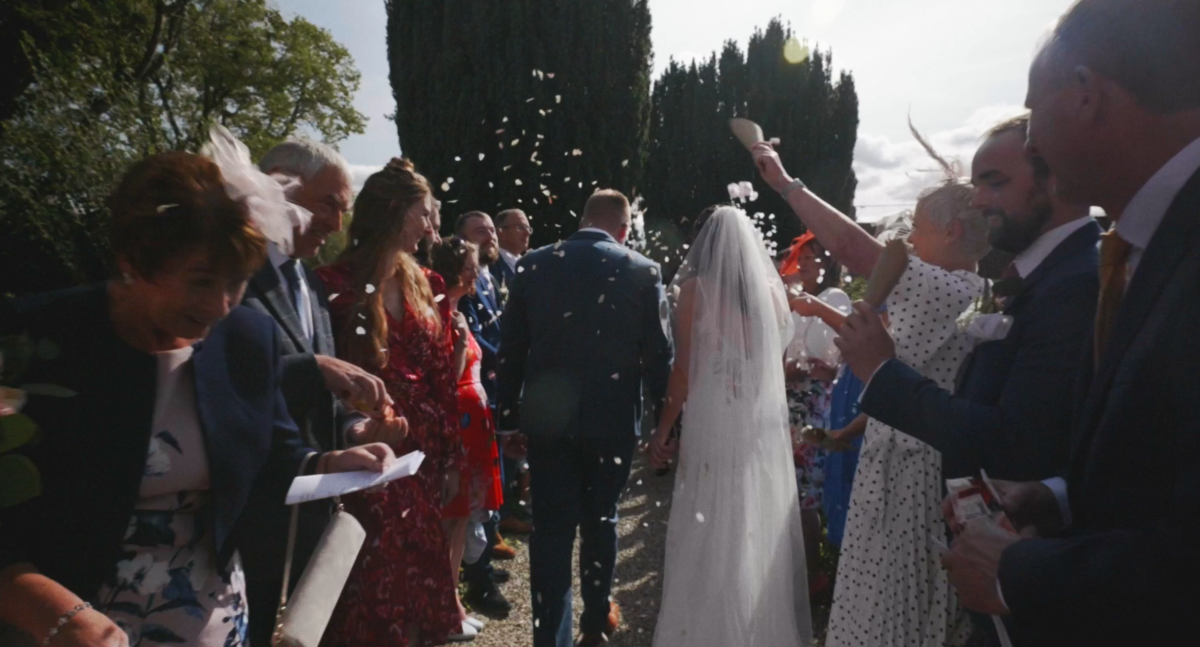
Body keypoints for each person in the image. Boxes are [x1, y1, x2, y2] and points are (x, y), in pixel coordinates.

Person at [0, 151, 395, 647]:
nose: (221, 305)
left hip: (209, 619)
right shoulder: (37, 338)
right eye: (202, 281)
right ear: (134, 260)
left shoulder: (247, 337)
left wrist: (333, 461)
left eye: (237, 281)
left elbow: (274, 454)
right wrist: (55, 614)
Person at [942, 1, 1200, 644]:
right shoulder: (1145, 247)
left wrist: (1019, 573)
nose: (1032, 144)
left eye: (1034, 111)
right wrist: (1058, 496)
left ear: (1087, 95)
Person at [755, 127, 991, 647]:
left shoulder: (947, 288)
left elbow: (852, 248)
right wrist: (846, 434)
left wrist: (786, 184)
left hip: (911, 482)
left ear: (951, 232)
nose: (906, 239)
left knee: (895, 609)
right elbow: (905, 383)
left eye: (917, 226)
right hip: (897, 464)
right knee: (876, 600)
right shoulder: (965, 292)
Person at [837, 114, 1099, 484]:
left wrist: (881, 371)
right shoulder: (1016, 280)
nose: (977, 201)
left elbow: (1017, 442)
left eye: (994, 182)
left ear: (1058, 176)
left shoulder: (1078, 282)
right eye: (976, 186)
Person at [239, 138, 405, 647]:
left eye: (343, 209)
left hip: (306, 511)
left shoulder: (310, 286)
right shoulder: (228, 272)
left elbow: (325, 394)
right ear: (278, 184)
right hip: (247, 512)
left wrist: (355, 428)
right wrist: (310, 367)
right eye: (328, 204)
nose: (336, 224)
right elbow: (213, 369)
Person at [498, 189, 673, 647]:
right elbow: (659, 356)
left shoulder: (533, 264)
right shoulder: (642, 269)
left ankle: (550, 639)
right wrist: (667, 425)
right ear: (624, 229)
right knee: (601, 519)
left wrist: (507, 420)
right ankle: (594, 622)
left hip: (547, 421)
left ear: (582, 221)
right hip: (612, 422)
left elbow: (511, 349)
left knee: (551, 530)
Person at [648, 206, 813, 647]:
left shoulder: (694, 291)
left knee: (707, 519)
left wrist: (663, 429)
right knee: (748, 517)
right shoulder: (773, 294)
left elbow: (683, 370)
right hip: (755, 423)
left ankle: (707, 628)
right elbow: (775, 368)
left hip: (712, 420)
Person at [318, 158, 465, 646]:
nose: (430, 226)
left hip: (421, 454)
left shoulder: (430, 283)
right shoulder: (332, 284)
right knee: (372, 577)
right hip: (367, 451)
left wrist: (451, 456)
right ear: (396, 213)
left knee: (420, 579)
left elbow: (442, 377)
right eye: (423, 214)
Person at [431, 237, 506, 638]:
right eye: (470, 267)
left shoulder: (458, 311)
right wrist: (461, 343)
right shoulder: (440, 314)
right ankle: (444, 608)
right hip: (456, 427)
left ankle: (452, 603)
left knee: (461, 520)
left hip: (473, 426)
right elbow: (446, 376)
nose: (476, 273)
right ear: (453, 271)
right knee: (451, 519)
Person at [777, 232, 851, 598]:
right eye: (800, 258)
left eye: (812, 258)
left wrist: (818, 368)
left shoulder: (834, 298)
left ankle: (814, 574)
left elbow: (836, 354)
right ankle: (800, 570)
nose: (804, 264)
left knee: (806, 491)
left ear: (827, 263)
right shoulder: (792, 302)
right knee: (790, 490)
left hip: (815, 403)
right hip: (789, 400)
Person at [453, 210, 516, 615]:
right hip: (474, 394)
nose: (490, 235)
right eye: (480, 231)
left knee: (493, 485)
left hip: (493, 392)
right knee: (474, 494)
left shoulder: (491, 278)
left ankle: (484, 559)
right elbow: (478, 339)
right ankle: (476, 579)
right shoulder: (463, 288)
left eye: (492, 229)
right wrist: (514, 361)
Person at [491, 208, 531, 306]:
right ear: (501, 232)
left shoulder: (529, 263)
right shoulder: (491, 265)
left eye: (528, 228)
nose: (527, 233)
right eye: (520, 227)